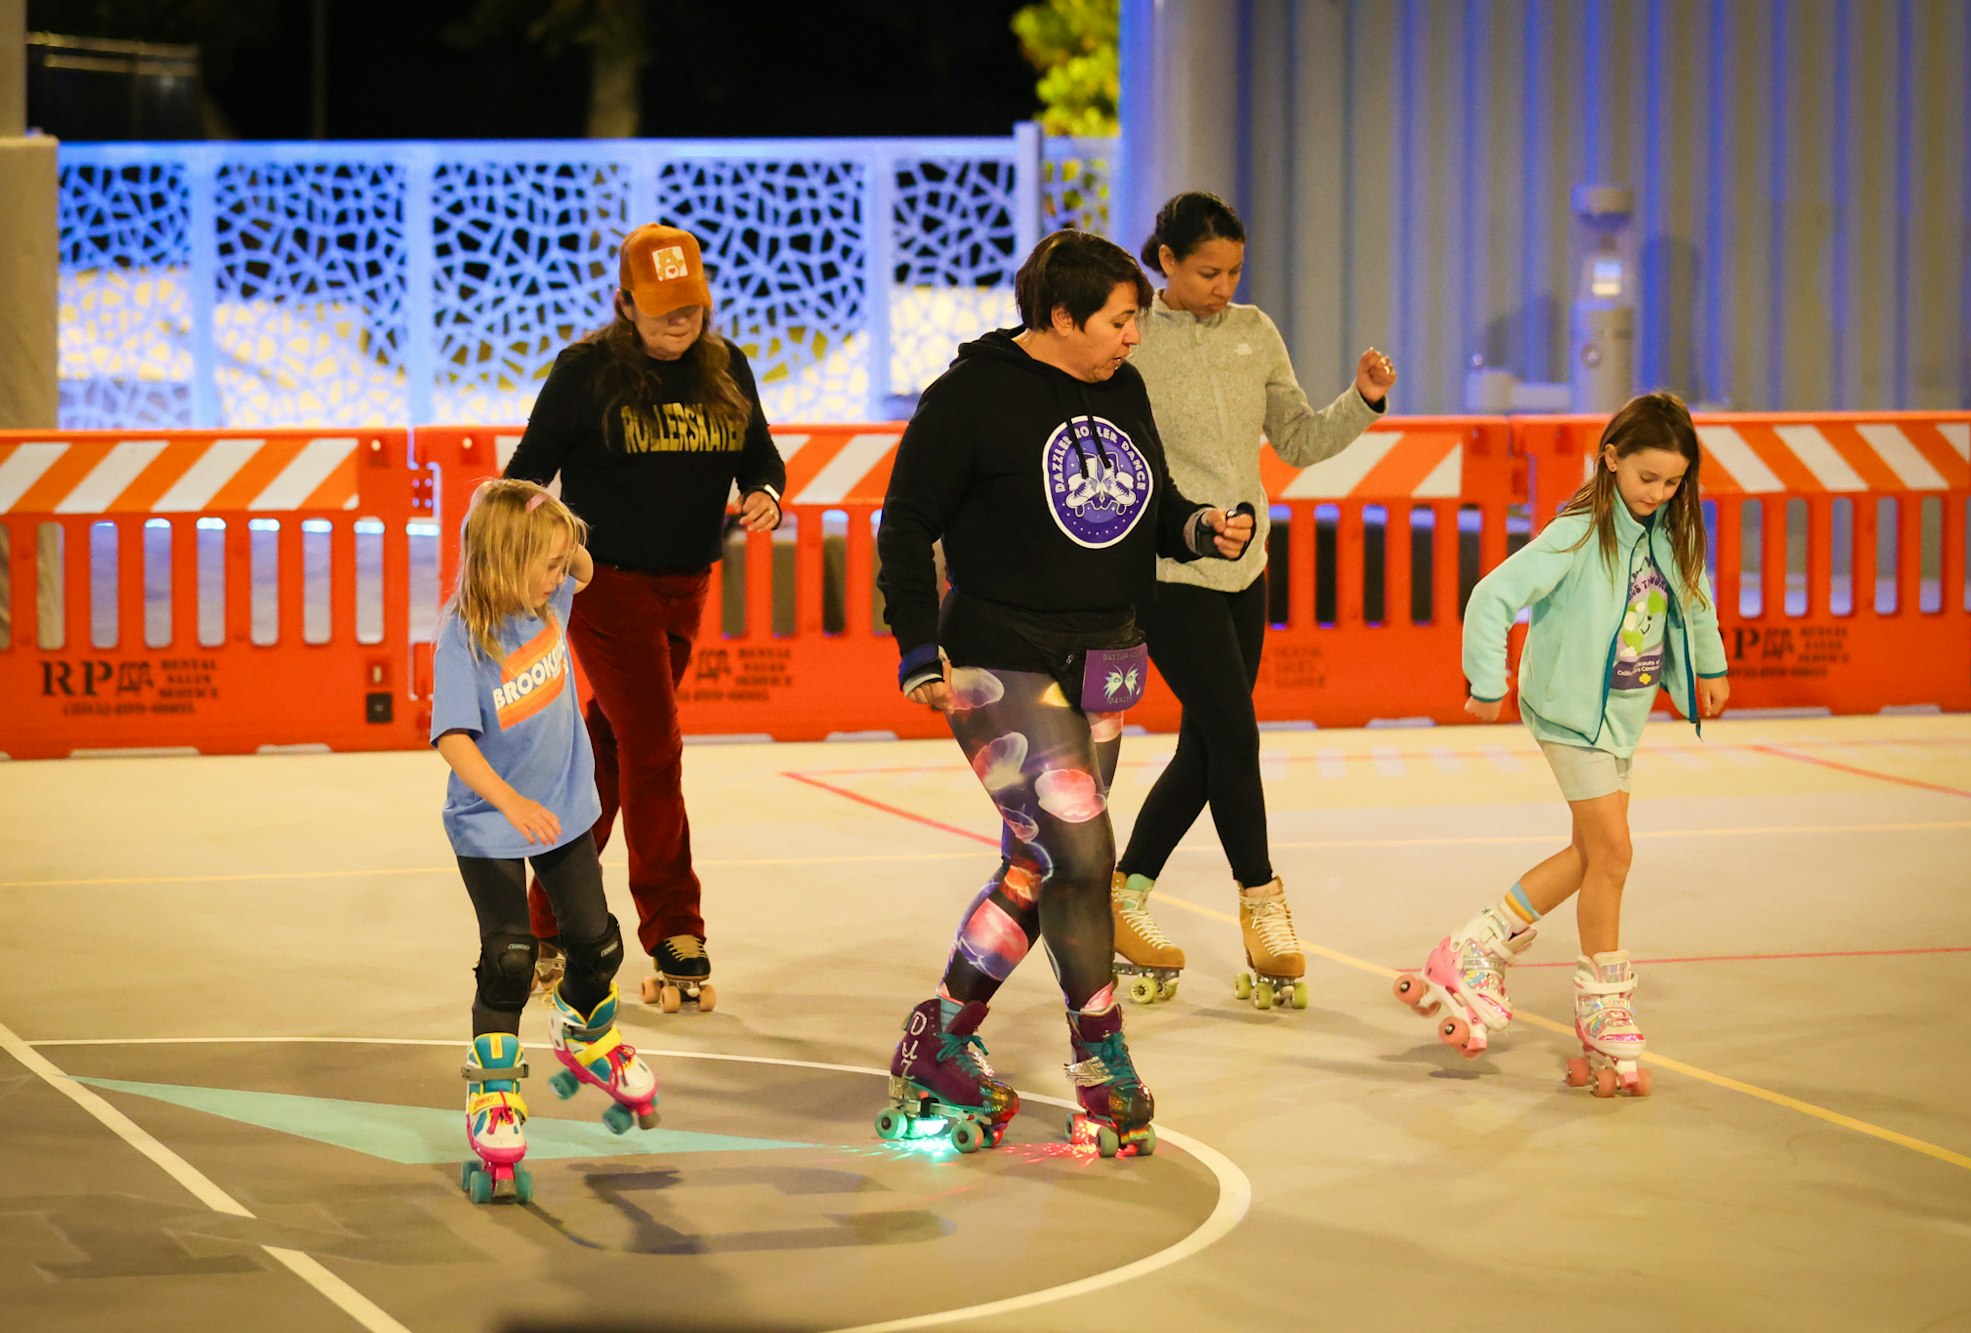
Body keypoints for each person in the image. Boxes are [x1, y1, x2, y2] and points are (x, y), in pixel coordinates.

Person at [873, 229, 1254, 1157]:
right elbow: (907, 520)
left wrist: (1199, 527)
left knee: (1041, 865)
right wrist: (918, 644)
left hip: (1104, 655)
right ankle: (1102, 1057)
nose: (1134, 336)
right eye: (1122, 319)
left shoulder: (1122, 389)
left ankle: (941, 1040)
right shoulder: (970, 396)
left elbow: (1146, 502)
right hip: (998, 652)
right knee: (1084, 854)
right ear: (1060, 316)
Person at [1393, 391, 1730, 1097]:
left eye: (1673, 482)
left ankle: (1474, 944)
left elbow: (1695, 600)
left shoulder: (1669, 532)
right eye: (1648, 478)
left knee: (1590, 853)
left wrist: (1710, 666)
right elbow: (1492, 595)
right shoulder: (1578, 531)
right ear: (1611, 460)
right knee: (1615, 852)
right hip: (1570, 713)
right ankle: (1605, 1001)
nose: (1660, 493)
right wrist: (1488, 680)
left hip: (1623, 717)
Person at [1112, 191, 1399, 1011]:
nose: (1223, 285)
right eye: (1208, 271)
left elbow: (1301, 439)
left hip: (1246, 570)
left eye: (1235, 270)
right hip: (1169, 569)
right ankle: (1262, 900)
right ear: (1164, 261)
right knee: (1236, 732)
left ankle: (1125, 896)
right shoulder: (1131, 337)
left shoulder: (1254, 330)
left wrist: (1363, 400)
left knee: (1207, 750)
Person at [504, 222, 786, 1013]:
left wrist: (766, 490)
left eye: (690, 307)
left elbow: (759, 452)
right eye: (662, 309)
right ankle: (674, 925)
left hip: (687, 584)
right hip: (607, 586)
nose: (679, 323)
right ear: (625, 303)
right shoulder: (586, 372)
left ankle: (543, 921)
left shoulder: (726, 370)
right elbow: (528, 470)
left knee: (613, 753)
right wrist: (531, 550)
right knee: (655, 747)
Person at [431, 479, 660, 1205]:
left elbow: (584, 565)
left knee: (597, 945)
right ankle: (494, 1095)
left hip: (563, 807)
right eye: (549, 564)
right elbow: (453, 740)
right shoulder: (464, 635)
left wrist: (549, 527)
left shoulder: (551, 598)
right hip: (491, 820)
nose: (565, 577)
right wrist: (507, 799)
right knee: (510, 955)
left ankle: (584, 1031)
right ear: (504, 560)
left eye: (563, 565)